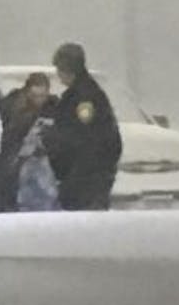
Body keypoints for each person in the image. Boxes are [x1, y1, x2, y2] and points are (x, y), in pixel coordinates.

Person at [44, 43, 123, 211]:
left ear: (68, 69)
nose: (58, 75)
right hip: (85, 174)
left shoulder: (84, 97)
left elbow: (84, 135)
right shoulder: (82, 93)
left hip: (86, 177)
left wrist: (52, 137)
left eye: (59, 69)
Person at [0, 73, 55, 211]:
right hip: (9, 162)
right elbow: (5, 134)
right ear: (27, 92)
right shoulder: (12, 105)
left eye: (43, 96)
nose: (39, 100)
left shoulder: (53, 106)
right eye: (35, 96)